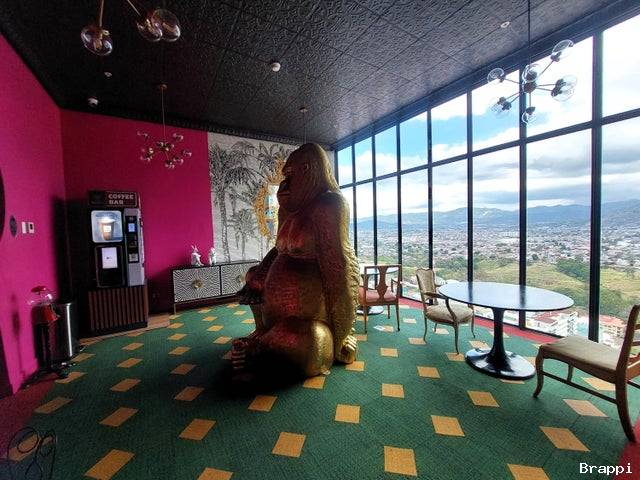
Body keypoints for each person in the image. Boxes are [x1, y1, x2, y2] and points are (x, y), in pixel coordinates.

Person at [233, 143, 359, 377]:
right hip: (276, 314)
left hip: (308, 319)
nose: (284, 184)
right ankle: (264, 335)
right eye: (285, 176)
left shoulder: (329, 204)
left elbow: (339, 267)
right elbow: (279, 249)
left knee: (313, 341)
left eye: (290, 175)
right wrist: (259, 273)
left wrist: (342, 334)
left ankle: (263, 347)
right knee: (253, 274)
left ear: (308, 170)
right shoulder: (287, 210)